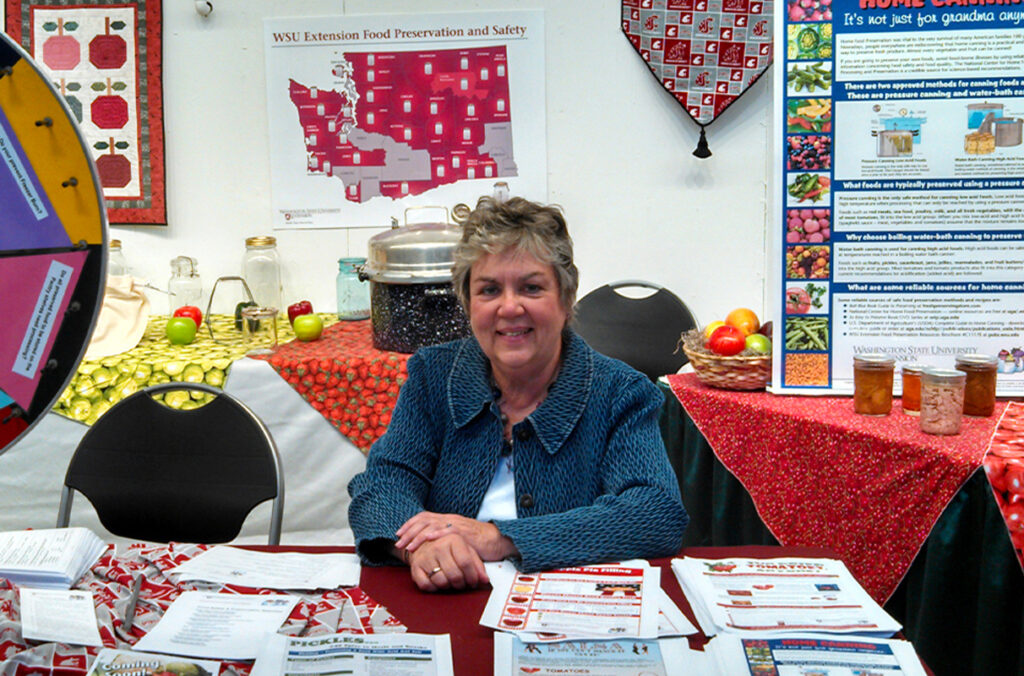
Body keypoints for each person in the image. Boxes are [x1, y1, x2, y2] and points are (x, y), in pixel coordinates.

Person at [347, 196, 687, 592]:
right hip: (449, 600)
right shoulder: (432, 376)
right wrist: (420, 548)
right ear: (467, 303)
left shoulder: (620, 393)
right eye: (489, 290)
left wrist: (497, 537)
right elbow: (382, 485)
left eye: (531, 288)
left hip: (565, 609)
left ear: (566, 299)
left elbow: (655, 512)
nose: (509, 307)